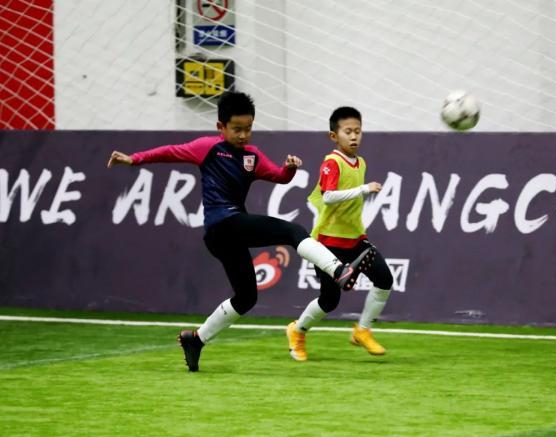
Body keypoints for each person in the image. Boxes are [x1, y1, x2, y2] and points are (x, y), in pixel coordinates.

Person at [107, 92, 375, 372]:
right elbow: (169, 152)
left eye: (248, 128)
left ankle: (196, 340)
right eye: (237, 129)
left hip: (231, 234)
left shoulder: (251, 155)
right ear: (220, 127)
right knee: (293, 230)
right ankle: (337, 269)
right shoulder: (207, 147)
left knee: (246, 298)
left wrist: (289, 169)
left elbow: (278, 176)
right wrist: (133, 159)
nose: (244, 134)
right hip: (221, 226)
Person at [286, 106, 393, 361]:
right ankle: (297, 331)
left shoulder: (361, 162)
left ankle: (362, 330)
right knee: (329, 301)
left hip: (356, 240)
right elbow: (329, 196)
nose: (354, 136)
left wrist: (361, 191)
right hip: (328, 244)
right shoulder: (332, 162)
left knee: (384, 279)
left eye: (358, 131)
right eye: (348, 132)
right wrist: (364, 189)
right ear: (334, 136)